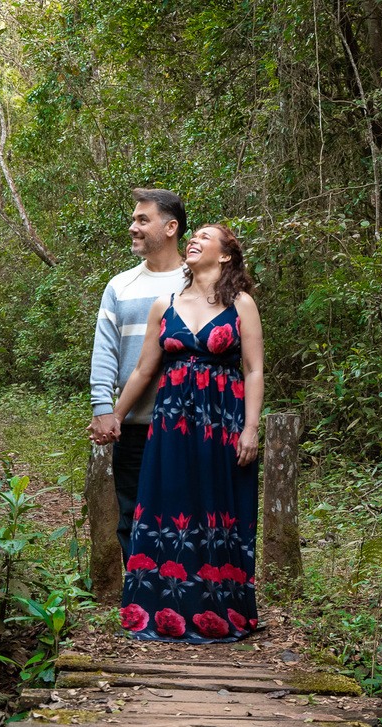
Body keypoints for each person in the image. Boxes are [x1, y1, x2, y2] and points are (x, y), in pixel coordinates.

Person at [110, 224, 263, 642]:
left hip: (223, 421)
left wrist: (251, 429)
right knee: (170, 504)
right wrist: (113, 416)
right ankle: (163, 610)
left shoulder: (242, 304)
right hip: (172, 423)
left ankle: (220, 609)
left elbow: (253, 369)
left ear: (226, 255)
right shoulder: (166, 303)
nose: (193, 240)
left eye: (205, 237)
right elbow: (144, 370)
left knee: (218, 508)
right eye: (191, 235)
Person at [88, 189, 189, 567]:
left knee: (184, 514)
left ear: (171, 227)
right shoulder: (120, 286)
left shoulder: (198, 281)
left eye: (142, 220)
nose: (133, 227)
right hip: (132, 424)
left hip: (187, 422)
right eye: (134, 219)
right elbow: (104, 352)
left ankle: (180, 601)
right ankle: (142, 603)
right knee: (133, 517)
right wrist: (103, 408)